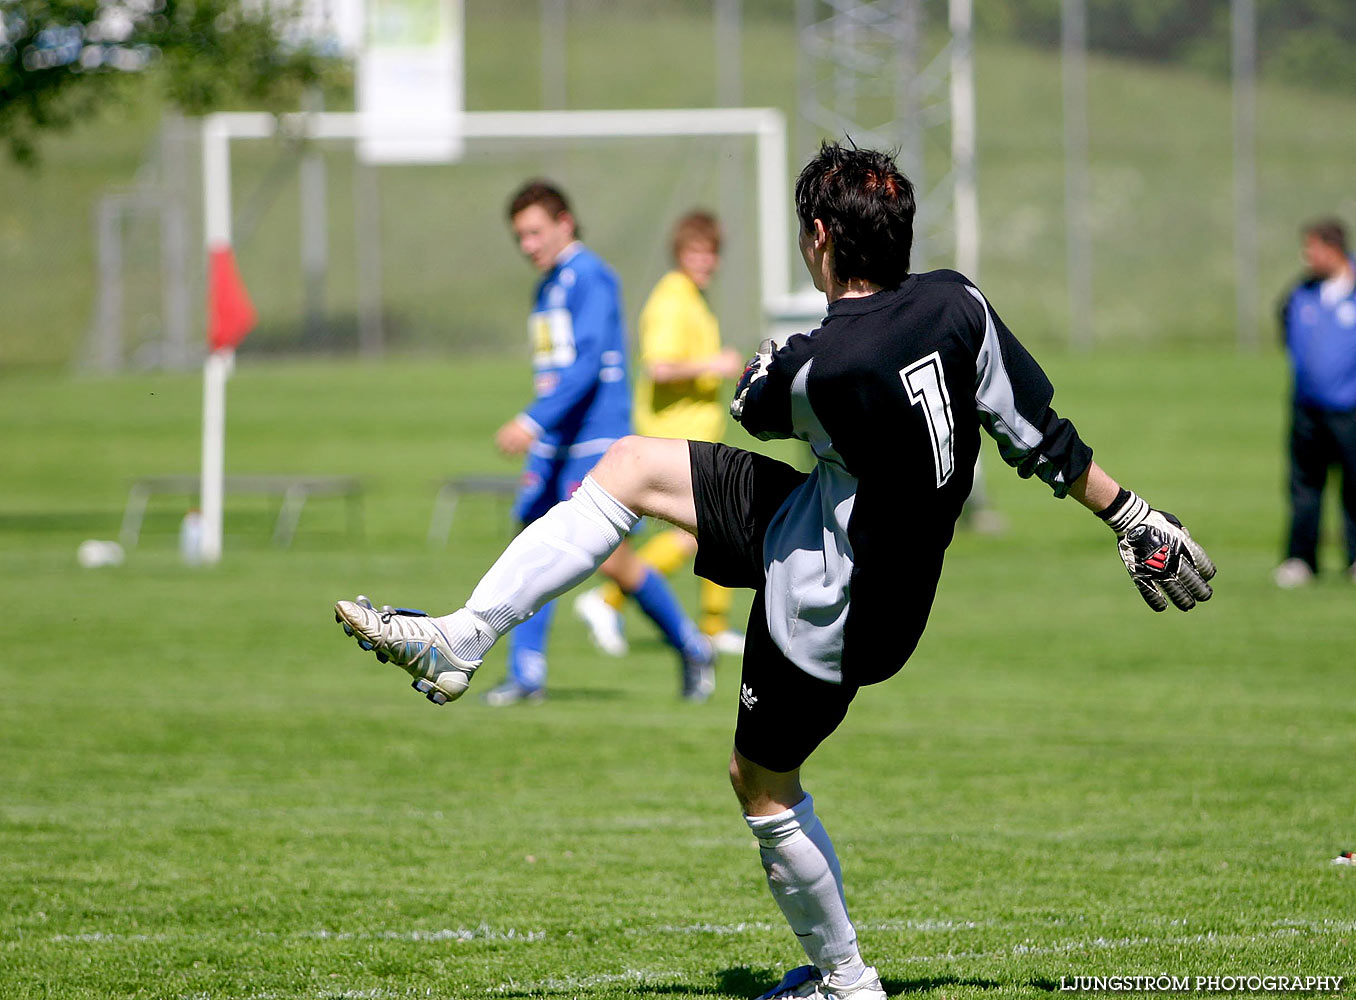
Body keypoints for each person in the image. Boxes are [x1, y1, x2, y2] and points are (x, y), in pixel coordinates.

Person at [334, 144, 1216, 999]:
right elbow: (1038, 435)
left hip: (828, 600)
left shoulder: (821, 364)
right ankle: (464, 635)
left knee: (760, 784)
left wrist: (772, 358)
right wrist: (1134, 517)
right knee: (633, 467)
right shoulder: (960, 305)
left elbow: (758, 401)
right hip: (842, 538)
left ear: (823, 240)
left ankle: (847, 981)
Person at [481, 180, 715, 704]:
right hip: (558, 436)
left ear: (565, 223)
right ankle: (526, 674)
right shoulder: (545, 288)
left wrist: (532, 420)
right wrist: (544, 431)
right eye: (520, 236)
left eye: (536, 232)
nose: (527, 245)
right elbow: (555, 369)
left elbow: (588, 366)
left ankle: (689, 644)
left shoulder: (592, 277)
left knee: (608, 558)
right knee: (531, 541)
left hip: (594, 433)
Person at [574, 210, 746, 658]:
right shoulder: (672, 299)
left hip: (694, 435)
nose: (705, 261)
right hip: (672, 438)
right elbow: (660, 366)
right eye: (695, 252)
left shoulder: (693, 296)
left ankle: (712, 626)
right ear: (679, 253)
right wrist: (715, 365)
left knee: (714, 531)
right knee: (703, 532)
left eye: (711, 254)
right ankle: (606, 599)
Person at [1274, 217, 1356, 588]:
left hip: (1350, 408)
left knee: (1354, 485)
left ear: (1333, 248)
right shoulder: (1302, 292)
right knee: (1304, 485)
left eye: (1313, 249)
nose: (1307, 257)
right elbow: (1285, 324)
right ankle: (1301, 559)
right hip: (1307, 408)